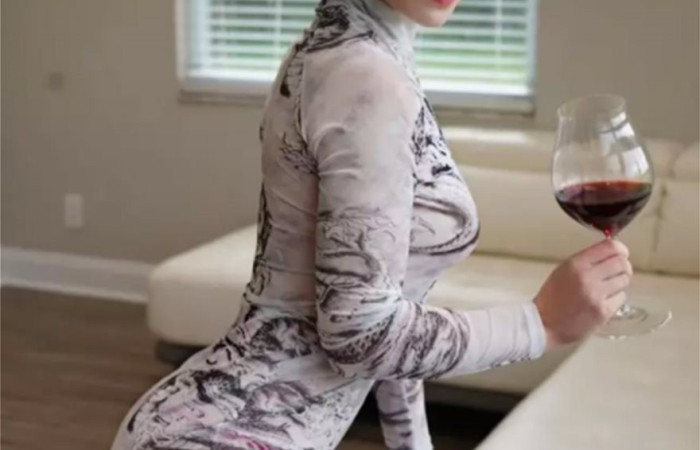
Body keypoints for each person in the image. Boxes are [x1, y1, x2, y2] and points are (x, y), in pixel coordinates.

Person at [111, 0, 633, 448]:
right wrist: (541, 323)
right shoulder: (363, 76)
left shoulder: (345, 52)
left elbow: (394, 306)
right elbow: (359, 333)